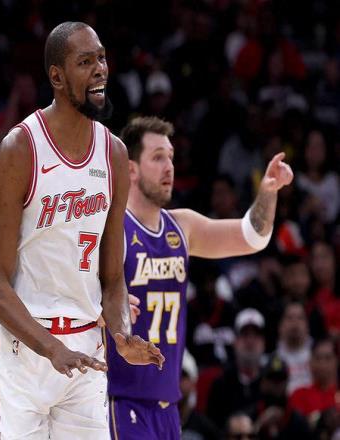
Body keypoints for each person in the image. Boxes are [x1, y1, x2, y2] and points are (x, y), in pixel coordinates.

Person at [0, 22, 164, 439]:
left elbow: (113, 279)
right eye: (85, 62)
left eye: (102, 58)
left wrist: (122, 334)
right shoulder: (21, 148)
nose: (100, 69)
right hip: (26, 349)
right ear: (57, 77)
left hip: (86, 351)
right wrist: (51, 348)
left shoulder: (114, 154)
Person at [106, 116, 293, 439]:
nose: (169, 167)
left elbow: (253, 237)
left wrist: (268, 191)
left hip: (168, 406)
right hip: (123, 400)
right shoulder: (114, 228)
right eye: (157, 157)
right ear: (131, 169)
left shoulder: (183, 227)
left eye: (171, 157)